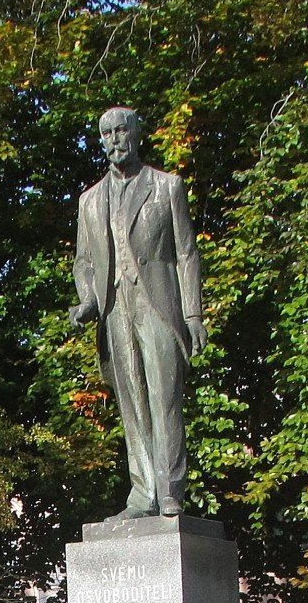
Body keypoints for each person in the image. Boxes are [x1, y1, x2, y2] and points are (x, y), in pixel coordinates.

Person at [71, 106, 207, 519]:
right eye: (106, 133)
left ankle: (169, 491)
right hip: (115, 309)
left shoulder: (167, 187)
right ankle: (142, 493)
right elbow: (84, 262)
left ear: (136, 134)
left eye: (121, 131)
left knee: (164, 399)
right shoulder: (90, 201)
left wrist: (193, 314)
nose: (114, 139)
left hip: (158, 305)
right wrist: (89, 299)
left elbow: (186, 252)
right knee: (132, 403)